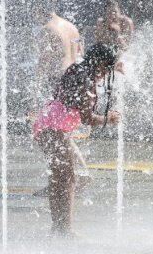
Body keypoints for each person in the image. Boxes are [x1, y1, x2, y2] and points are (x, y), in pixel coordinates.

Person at [32, 43, 121, 236]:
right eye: (107, 68)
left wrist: (115, 67)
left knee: (59, 178)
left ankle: (58, 228)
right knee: (68, 178)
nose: (106, 73)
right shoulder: (86, 81)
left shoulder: (77, 68)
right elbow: (87, 118)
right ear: (101, 63)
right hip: (55, 128)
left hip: (48, 123)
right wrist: (109, 119)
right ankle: (65, 229)